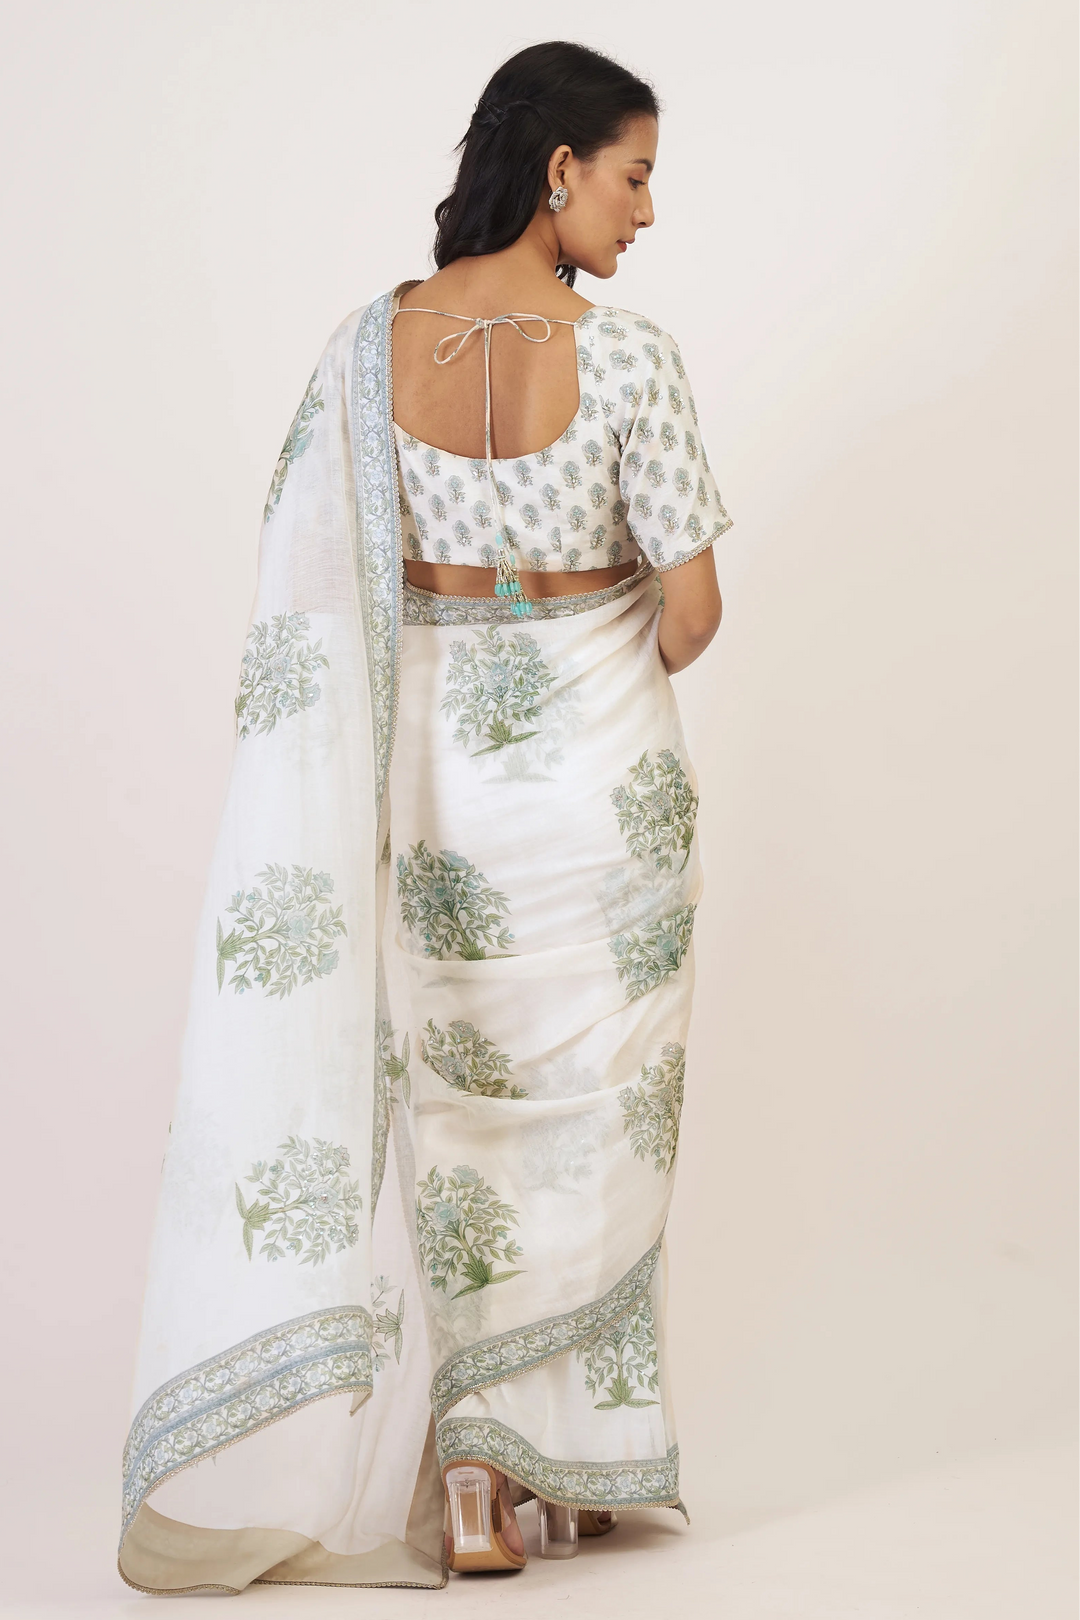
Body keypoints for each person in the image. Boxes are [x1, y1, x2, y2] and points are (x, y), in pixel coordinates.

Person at [118, 40, 733, 1594]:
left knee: (454, 1123)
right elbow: (694, 614)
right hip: (599, 802)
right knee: (595, 1112)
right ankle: (561, 1461)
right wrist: (591, 634)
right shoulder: (634, 359)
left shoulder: (358, 347)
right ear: (559, 170)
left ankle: (471, 1478)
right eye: (636, 174)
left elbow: (328, 597)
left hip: (432, 790)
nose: (647, 212)